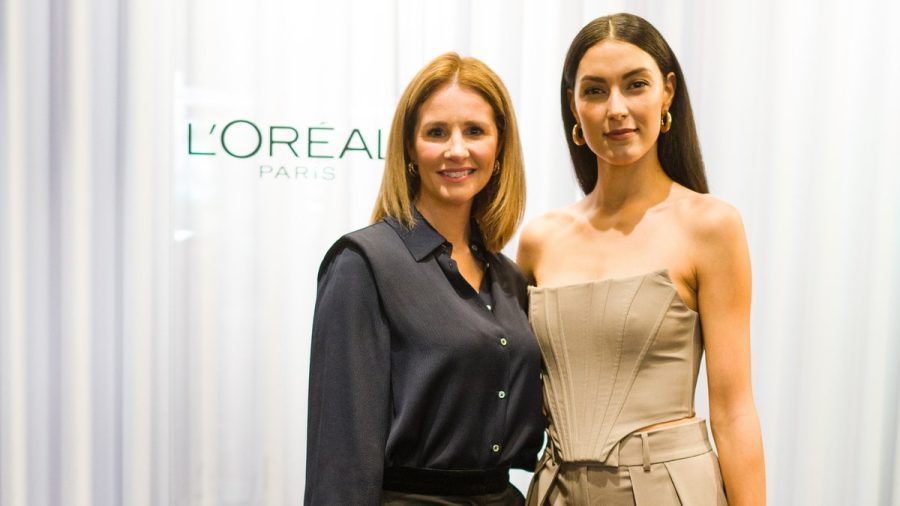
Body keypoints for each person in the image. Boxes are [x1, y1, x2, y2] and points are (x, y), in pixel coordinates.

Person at [517, 13, 765, 505]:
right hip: (555, 491)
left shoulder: (711, 227)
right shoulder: (539, 240)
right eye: (594, 90)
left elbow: (734, 411)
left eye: (635, 85)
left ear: (667, 92)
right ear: (573, 105)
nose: (616, 109)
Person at [304, 52, 544, 505]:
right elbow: (339, 453)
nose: (457, 150)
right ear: (410, 149)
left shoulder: (509, 278)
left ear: (500, 146)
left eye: (475, 131)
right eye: (437, 132)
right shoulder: (363, 262)